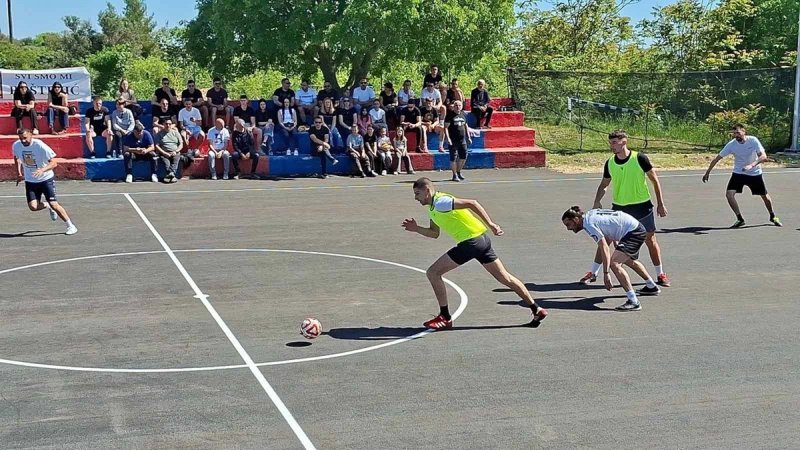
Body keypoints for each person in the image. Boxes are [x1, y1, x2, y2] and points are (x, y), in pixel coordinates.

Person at [402, 177, 548, 329]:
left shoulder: (441, 202)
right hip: (481, 241)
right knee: (505, 278)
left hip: (471, 243)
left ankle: (445, 316)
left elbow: (472, 203)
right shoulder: (432, 208)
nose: (415, 198)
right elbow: (434, 233)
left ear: (427, 191)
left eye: (417, 193)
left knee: (433, 273)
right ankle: (536, 308)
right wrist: (416, 228)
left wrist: (491, 224)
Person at [585, 129, 670, 287]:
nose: (612, 146)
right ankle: (593, 272)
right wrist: (597, 201)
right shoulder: (610, 162)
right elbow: (604, 184)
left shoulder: (639, 158)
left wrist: (660, 203)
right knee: (606, 239)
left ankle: (660, 274)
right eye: (610, 143)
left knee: (650, 240)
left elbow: (654, 180)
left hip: (642, 207)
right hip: (620, 209)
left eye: (614, 142)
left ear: (624, 142)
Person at [562, 206, 662, 311]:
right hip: (634, 228)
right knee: (628, 260)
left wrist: (606, 274)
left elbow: (604, 247)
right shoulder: (590, 215)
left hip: (633, 232)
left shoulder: (589, 224)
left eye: (568, 224)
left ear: (576, 219)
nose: (568, 228)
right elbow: (610, 224)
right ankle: (651, 286)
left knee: (614, 263)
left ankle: (634, 301)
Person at [702, 124, 782, 228]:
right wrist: (707, 172)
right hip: (739, 173)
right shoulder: (731, 145)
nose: (736, 136)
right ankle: (740, 219)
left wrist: (751, 165)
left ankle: (772, 216)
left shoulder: (753, 140)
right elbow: (717, 158)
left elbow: (763, 156)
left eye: (738, 133)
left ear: (744, 132)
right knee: (729, 195)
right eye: (734, 134)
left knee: (764, 196)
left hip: (754, 173)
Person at [12, 128, 78, 235]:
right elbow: (17, 157)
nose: (23, 141)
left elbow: (54, 163)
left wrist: (42, 170)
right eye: (20, 139)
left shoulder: (40, 145)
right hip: (30, 181)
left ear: (30, 135)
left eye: (25, 138)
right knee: (33, 207)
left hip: (45, 179)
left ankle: (70, 225)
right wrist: (19, 173)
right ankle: (47, 206)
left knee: (54, 204)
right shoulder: (16, 145)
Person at [444, 100, 471, 181]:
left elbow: (466, 125)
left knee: (464, 156)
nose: (458, 107)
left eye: (459, 105)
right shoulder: (450, 115)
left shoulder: (463, 114)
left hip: (462, 140)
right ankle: (454, 174)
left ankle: (458, 171)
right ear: (453, 106)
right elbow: (445, 128)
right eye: (456, 105)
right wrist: (448, 138)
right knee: (453, 158)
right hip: (453, 140)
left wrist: (468, 137)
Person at [154, 118, 183, 183]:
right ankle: (172, 175)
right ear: (163, 124)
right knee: (166, 162)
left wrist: (176, 151)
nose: (168, 125)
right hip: (164, 153)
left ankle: (170, 174)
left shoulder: (176, 133)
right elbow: (156, 145)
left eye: (169, 124)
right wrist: (164, 153)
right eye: (166, 124)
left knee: (177, 157)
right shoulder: (159, 134)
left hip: (175, 152)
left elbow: (181, 144)